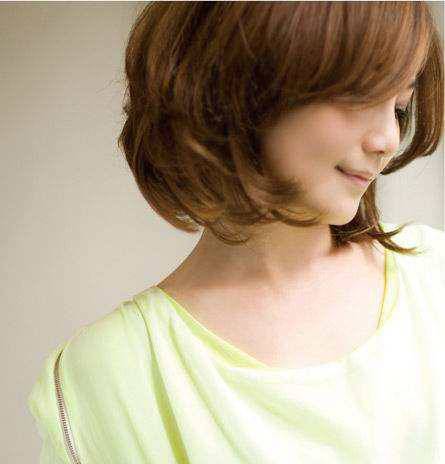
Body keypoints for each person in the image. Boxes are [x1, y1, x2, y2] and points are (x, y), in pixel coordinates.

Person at [28, 2, 444, 463]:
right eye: (361, 97)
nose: (387, 139)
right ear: (240, 84)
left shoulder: (433, 278)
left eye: (400, 108)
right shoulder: (111, 376)